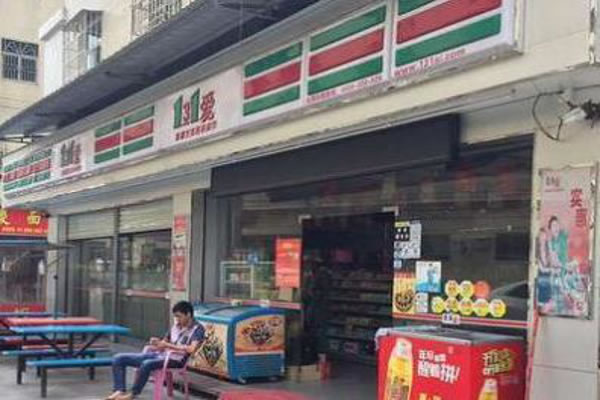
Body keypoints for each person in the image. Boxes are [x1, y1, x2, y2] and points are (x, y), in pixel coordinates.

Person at [106, 301, 204, 400]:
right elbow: (164, 342)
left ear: (188, 314)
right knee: (119, 358)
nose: (177, 319)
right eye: (175, 317)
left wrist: (167, 345)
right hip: (160, 355)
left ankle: (133, 394)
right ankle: (119, 390)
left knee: (146, 364)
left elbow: (191, 349)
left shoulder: (197, 329)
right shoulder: (176, 326)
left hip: (175, 360)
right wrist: (157, 343)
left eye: (179, 316)